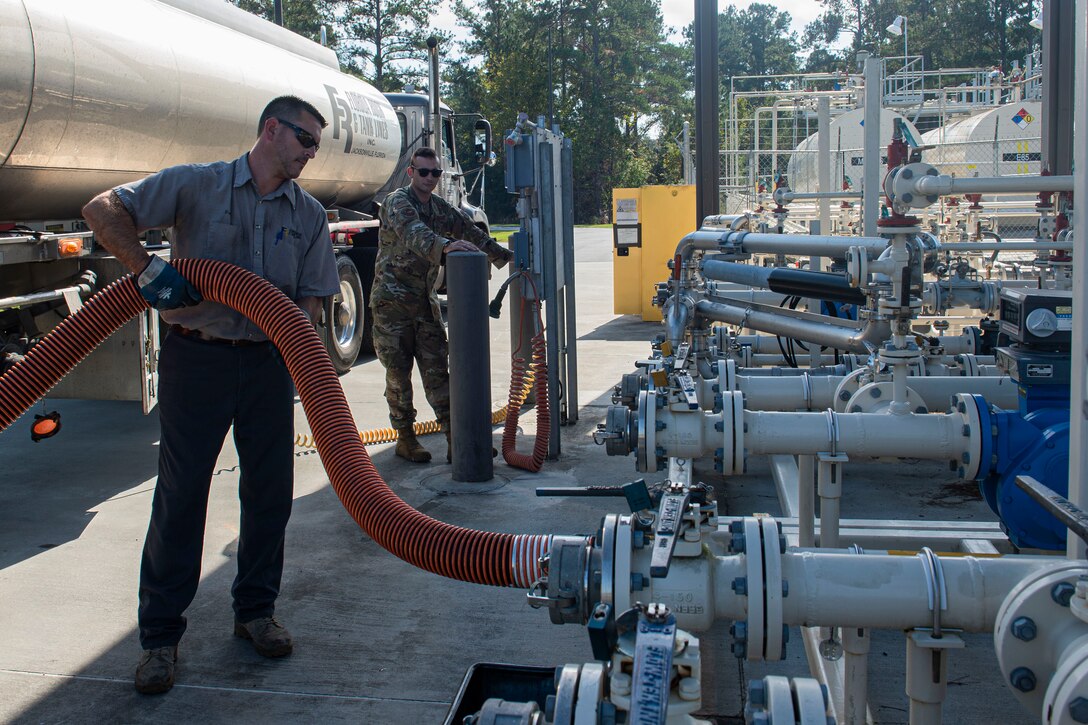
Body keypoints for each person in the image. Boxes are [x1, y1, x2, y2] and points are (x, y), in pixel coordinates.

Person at [81, 96, 338, 694]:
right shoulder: (196, 187)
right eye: (303, 140)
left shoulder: (309, 215)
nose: (309, 154)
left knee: (270, 494)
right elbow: (102, 209)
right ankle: (160, 639)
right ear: (271, 129)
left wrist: (307, 373)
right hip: (196, 358)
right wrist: (146, 267)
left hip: (269, 362)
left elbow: (308, 306)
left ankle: (255, 612)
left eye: (315, 147)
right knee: (181, 494)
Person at [371, 147, 513, 463]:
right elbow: (414, 234)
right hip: (391, 305)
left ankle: (456, 440)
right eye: (424, 172)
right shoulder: (398, 202)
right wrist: (446, 246)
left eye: (436, 173)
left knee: (439, 372)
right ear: (411, 173)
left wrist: (505, 258)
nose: (430, 178)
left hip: (424, 302)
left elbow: (470, 230)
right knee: (398, 374)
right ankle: (405, 439)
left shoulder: (439, 208)